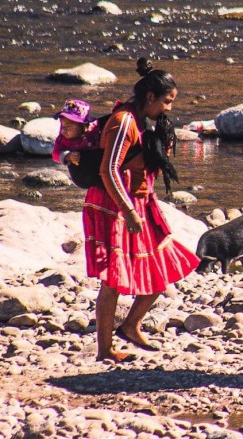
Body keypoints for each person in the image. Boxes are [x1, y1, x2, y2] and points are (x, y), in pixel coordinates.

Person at [82, 57, 200, 363]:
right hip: (114, 205)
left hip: (139, 202)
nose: (169, 108)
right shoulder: (123, 122)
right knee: (114, 278)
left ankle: (131, 325)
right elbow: (109, 170)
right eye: (167, 102)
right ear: (150, 97)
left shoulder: (147, 122)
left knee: (162, 265)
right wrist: (129, 211)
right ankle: (104, 349)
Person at [51, 98, 101, 166]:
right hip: (78, 168)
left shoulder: (94, 131)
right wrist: (67, 156)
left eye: (68, 127)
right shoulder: (62, 139)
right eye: (62, 126)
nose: (63, 130)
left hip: (95, 163)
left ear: (83, 126)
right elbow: (55, 154)